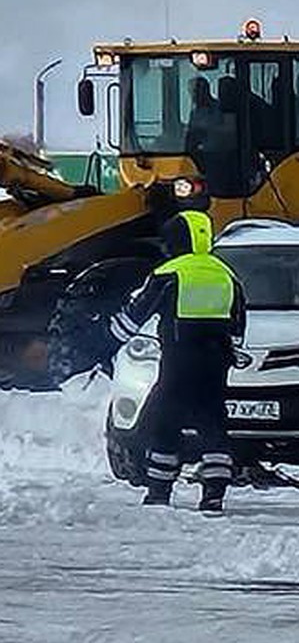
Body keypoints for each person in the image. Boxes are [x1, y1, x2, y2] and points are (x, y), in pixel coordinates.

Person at [109, 210, 246, 512]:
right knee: (213, 423)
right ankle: (214, 493)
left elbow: (134, 317)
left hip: (178, 362)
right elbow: (239, 323)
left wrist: (108, 336)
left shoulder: (169, 273)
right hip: (215, 363)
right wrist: (229, 350)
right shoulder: (226, 274)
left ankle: (159, 491)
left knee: (164, 421)